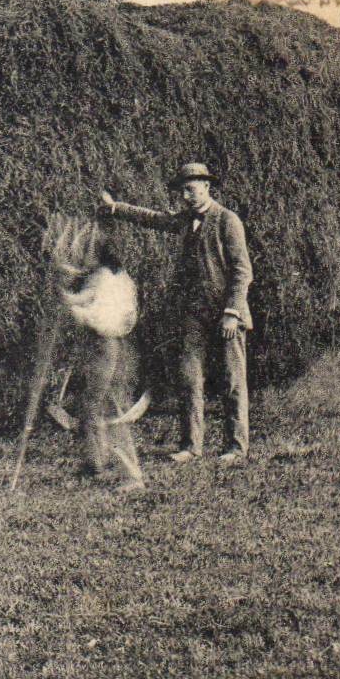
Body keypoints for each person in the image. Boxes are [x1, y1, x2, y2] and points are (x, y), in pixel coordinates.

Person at [100, 163, 253, 464]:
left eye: (192, 190)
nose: (187, 196)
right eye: (183, 191)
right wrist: (116, 208)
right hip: (192, 315)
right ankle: (190, 446)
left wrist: (232, 312)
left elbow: (242, 271)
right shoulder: (185, 219)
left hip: (226, 314)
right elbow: (153, 218)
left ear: (207, 187)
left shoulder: (227, 220)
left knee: (232, 381)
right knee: (189, 378)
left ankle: (236, 448)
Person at [58, 238, 145, 491]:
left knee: (106, 407)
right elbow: (82, 297)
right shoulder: (114, 277)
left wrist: (66, 302)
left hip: (104, 344)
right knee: (91, 405)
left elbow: (96, 315)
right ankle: (95, 464)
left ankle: (130, 476)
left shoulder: (104, 279)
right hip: (110, 345)